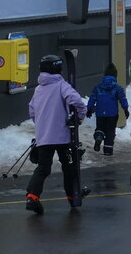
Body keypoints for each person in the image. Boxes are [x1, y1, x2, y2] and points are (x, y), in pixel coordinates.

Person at [24, 54, 87, 213]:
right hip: (62, 137)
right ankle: (73, 197)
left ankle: (32, 196)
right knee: (69, 167)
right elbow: (76, 100)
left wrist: (42, 125)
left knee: (43, 168)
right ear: (58, 68)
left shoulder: (39, 88)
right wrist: (80, 116)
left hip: (44, 137)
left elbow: (32, 110)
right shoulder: (61, 85)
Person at [86, 62, 129, 155]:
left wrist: (89, 109)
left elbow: (92, 98)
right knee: (110, 131)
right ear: (115, 75)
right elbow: (122, 99)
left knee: (100, 127)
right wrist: (126, 109)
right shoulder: (117, 87)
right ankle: (108, 150)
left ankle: (98, 137)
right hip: (112, 114)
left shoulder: (98, 87)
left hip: (100, 113)